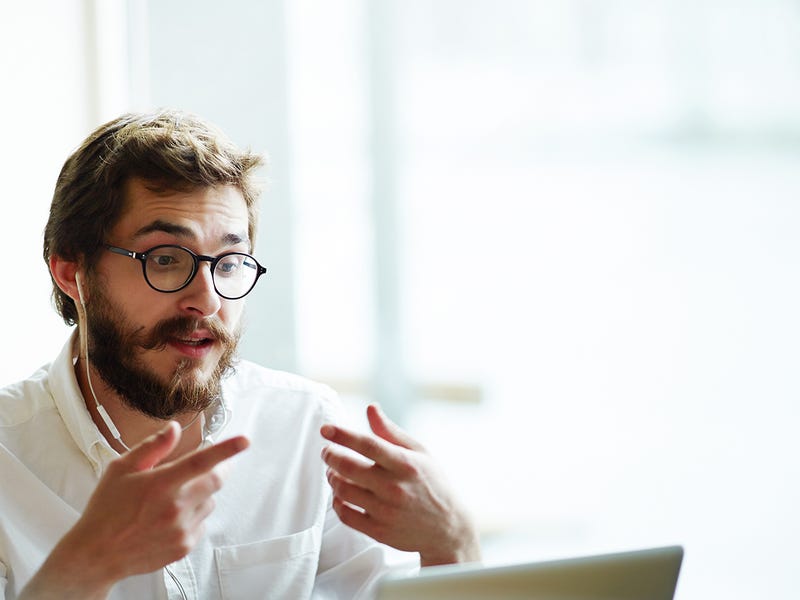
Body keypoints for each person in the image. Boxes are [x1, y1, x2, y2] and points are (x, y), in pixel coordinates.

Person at [0, 110, 481, 599]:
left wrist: (453, 546)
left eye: (229, 263)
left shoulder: (306, 430)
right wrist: (87, 564)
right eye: (165, 259)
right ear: (72, 273)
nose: (208, 300)